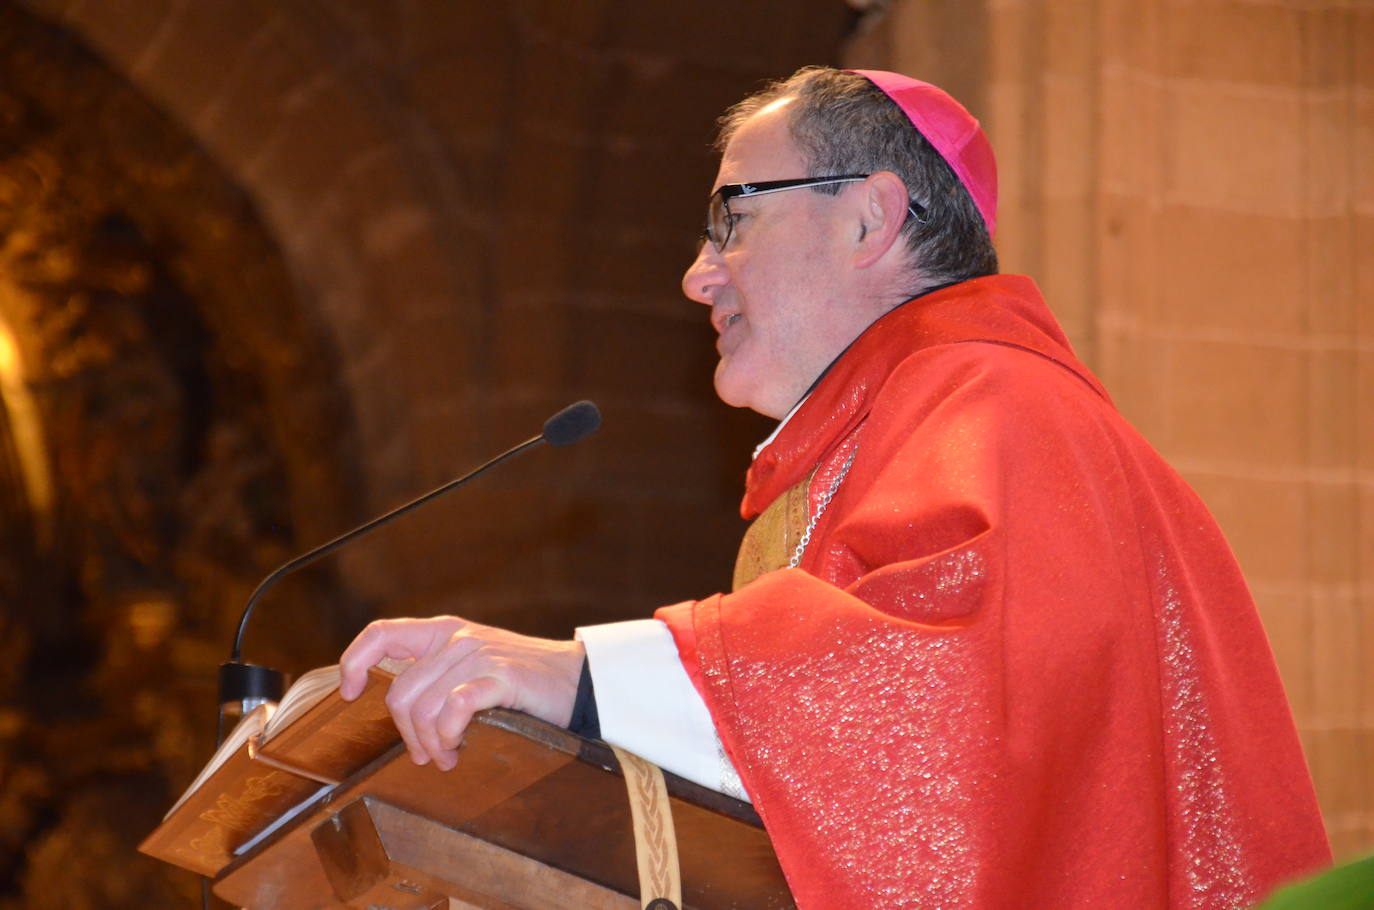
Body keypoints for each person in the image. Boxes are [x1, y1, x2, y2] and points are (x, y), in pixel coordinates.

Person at [339, 66, 1331, 908]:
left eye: (732, 215)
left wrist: (573, 677)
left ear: (870, 217)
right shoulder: (902, 428)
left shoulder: (999, 404)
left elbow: (938, 702)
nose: (697, 275)